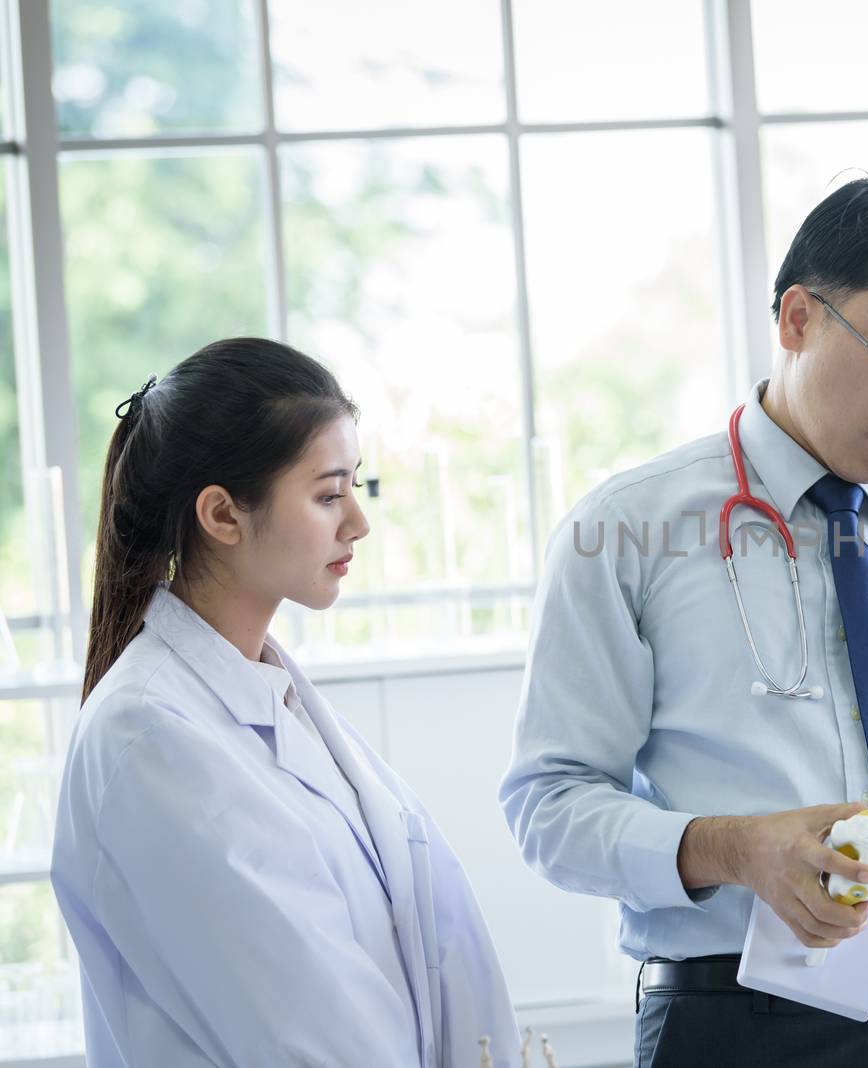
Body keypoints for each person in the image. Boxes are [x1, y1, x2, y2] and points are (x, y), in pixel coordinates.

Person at [501, 175, 868, 1066]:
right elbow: (549, 806)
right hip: (738, 1026)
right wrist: (732, 850)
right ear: (797, 319)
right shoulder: (624, 533)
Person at [52, 339, 520, 1067]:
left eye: (356, 488)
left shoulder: (267, 697)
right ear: (222, 515)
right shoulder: (148, 736)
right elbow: (308, 1035)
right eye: (329, 494)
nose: (357, 522)